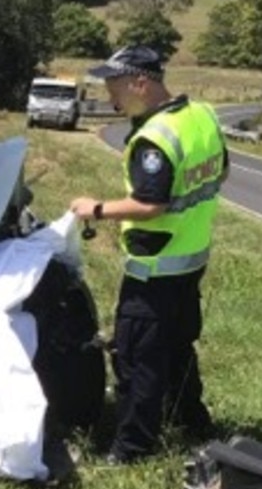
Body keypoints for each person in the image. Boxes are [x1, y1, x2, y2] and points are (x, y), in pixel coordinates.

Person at [69, 45, 228, 465]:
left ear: (141, 82)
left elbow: (150, 205)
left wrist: (96, 209)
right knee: (178, 348)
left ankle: (133, 449)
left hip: (154, 269)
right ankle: (194, 425)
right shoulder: (202, 115)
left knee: (138, 359)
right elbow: (221, 172)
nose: (110, 95)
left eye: (115, 85)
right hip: (192, 258)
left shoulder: (153, 139)